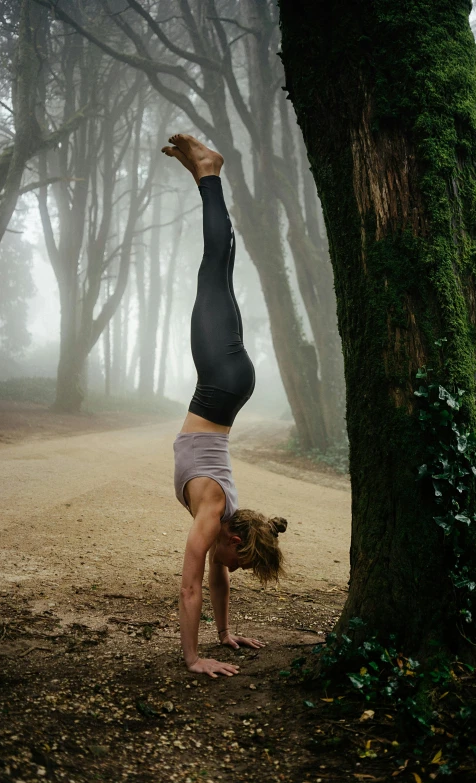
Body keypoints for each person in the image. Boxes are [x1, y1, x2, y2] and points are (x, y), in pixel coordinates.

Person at [161, 134, 287, 679]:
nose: (231, 567)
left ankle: (204, 177)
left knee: (216, 274)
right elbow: (190, 582)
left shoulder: (226, 521)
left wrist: (224, 635)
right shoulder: (214, 511)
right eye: (238, 558)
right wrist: (193, 659)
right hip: (219, 381)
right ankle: (208, 173)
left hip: (227, 385)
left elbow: (212, 578)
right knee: (214, 271)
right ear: (235, 538)